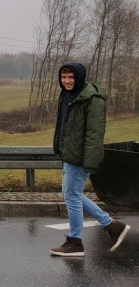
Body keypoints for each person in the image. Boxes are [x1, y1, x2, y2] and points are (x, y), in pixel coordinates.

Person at [50, 62, 131, 257]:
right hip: (70, 154)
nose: (67, 81)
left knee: (71, 196)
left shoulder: (92, 98)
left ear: (79, 77)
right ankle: (112, 225)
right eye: (64, 77)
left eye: (71, 77)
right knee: (72, 194)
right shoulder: (67, 95)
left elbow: (95, 133)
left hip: (80, 157)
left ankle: (75, 242)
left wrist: (90, 162)